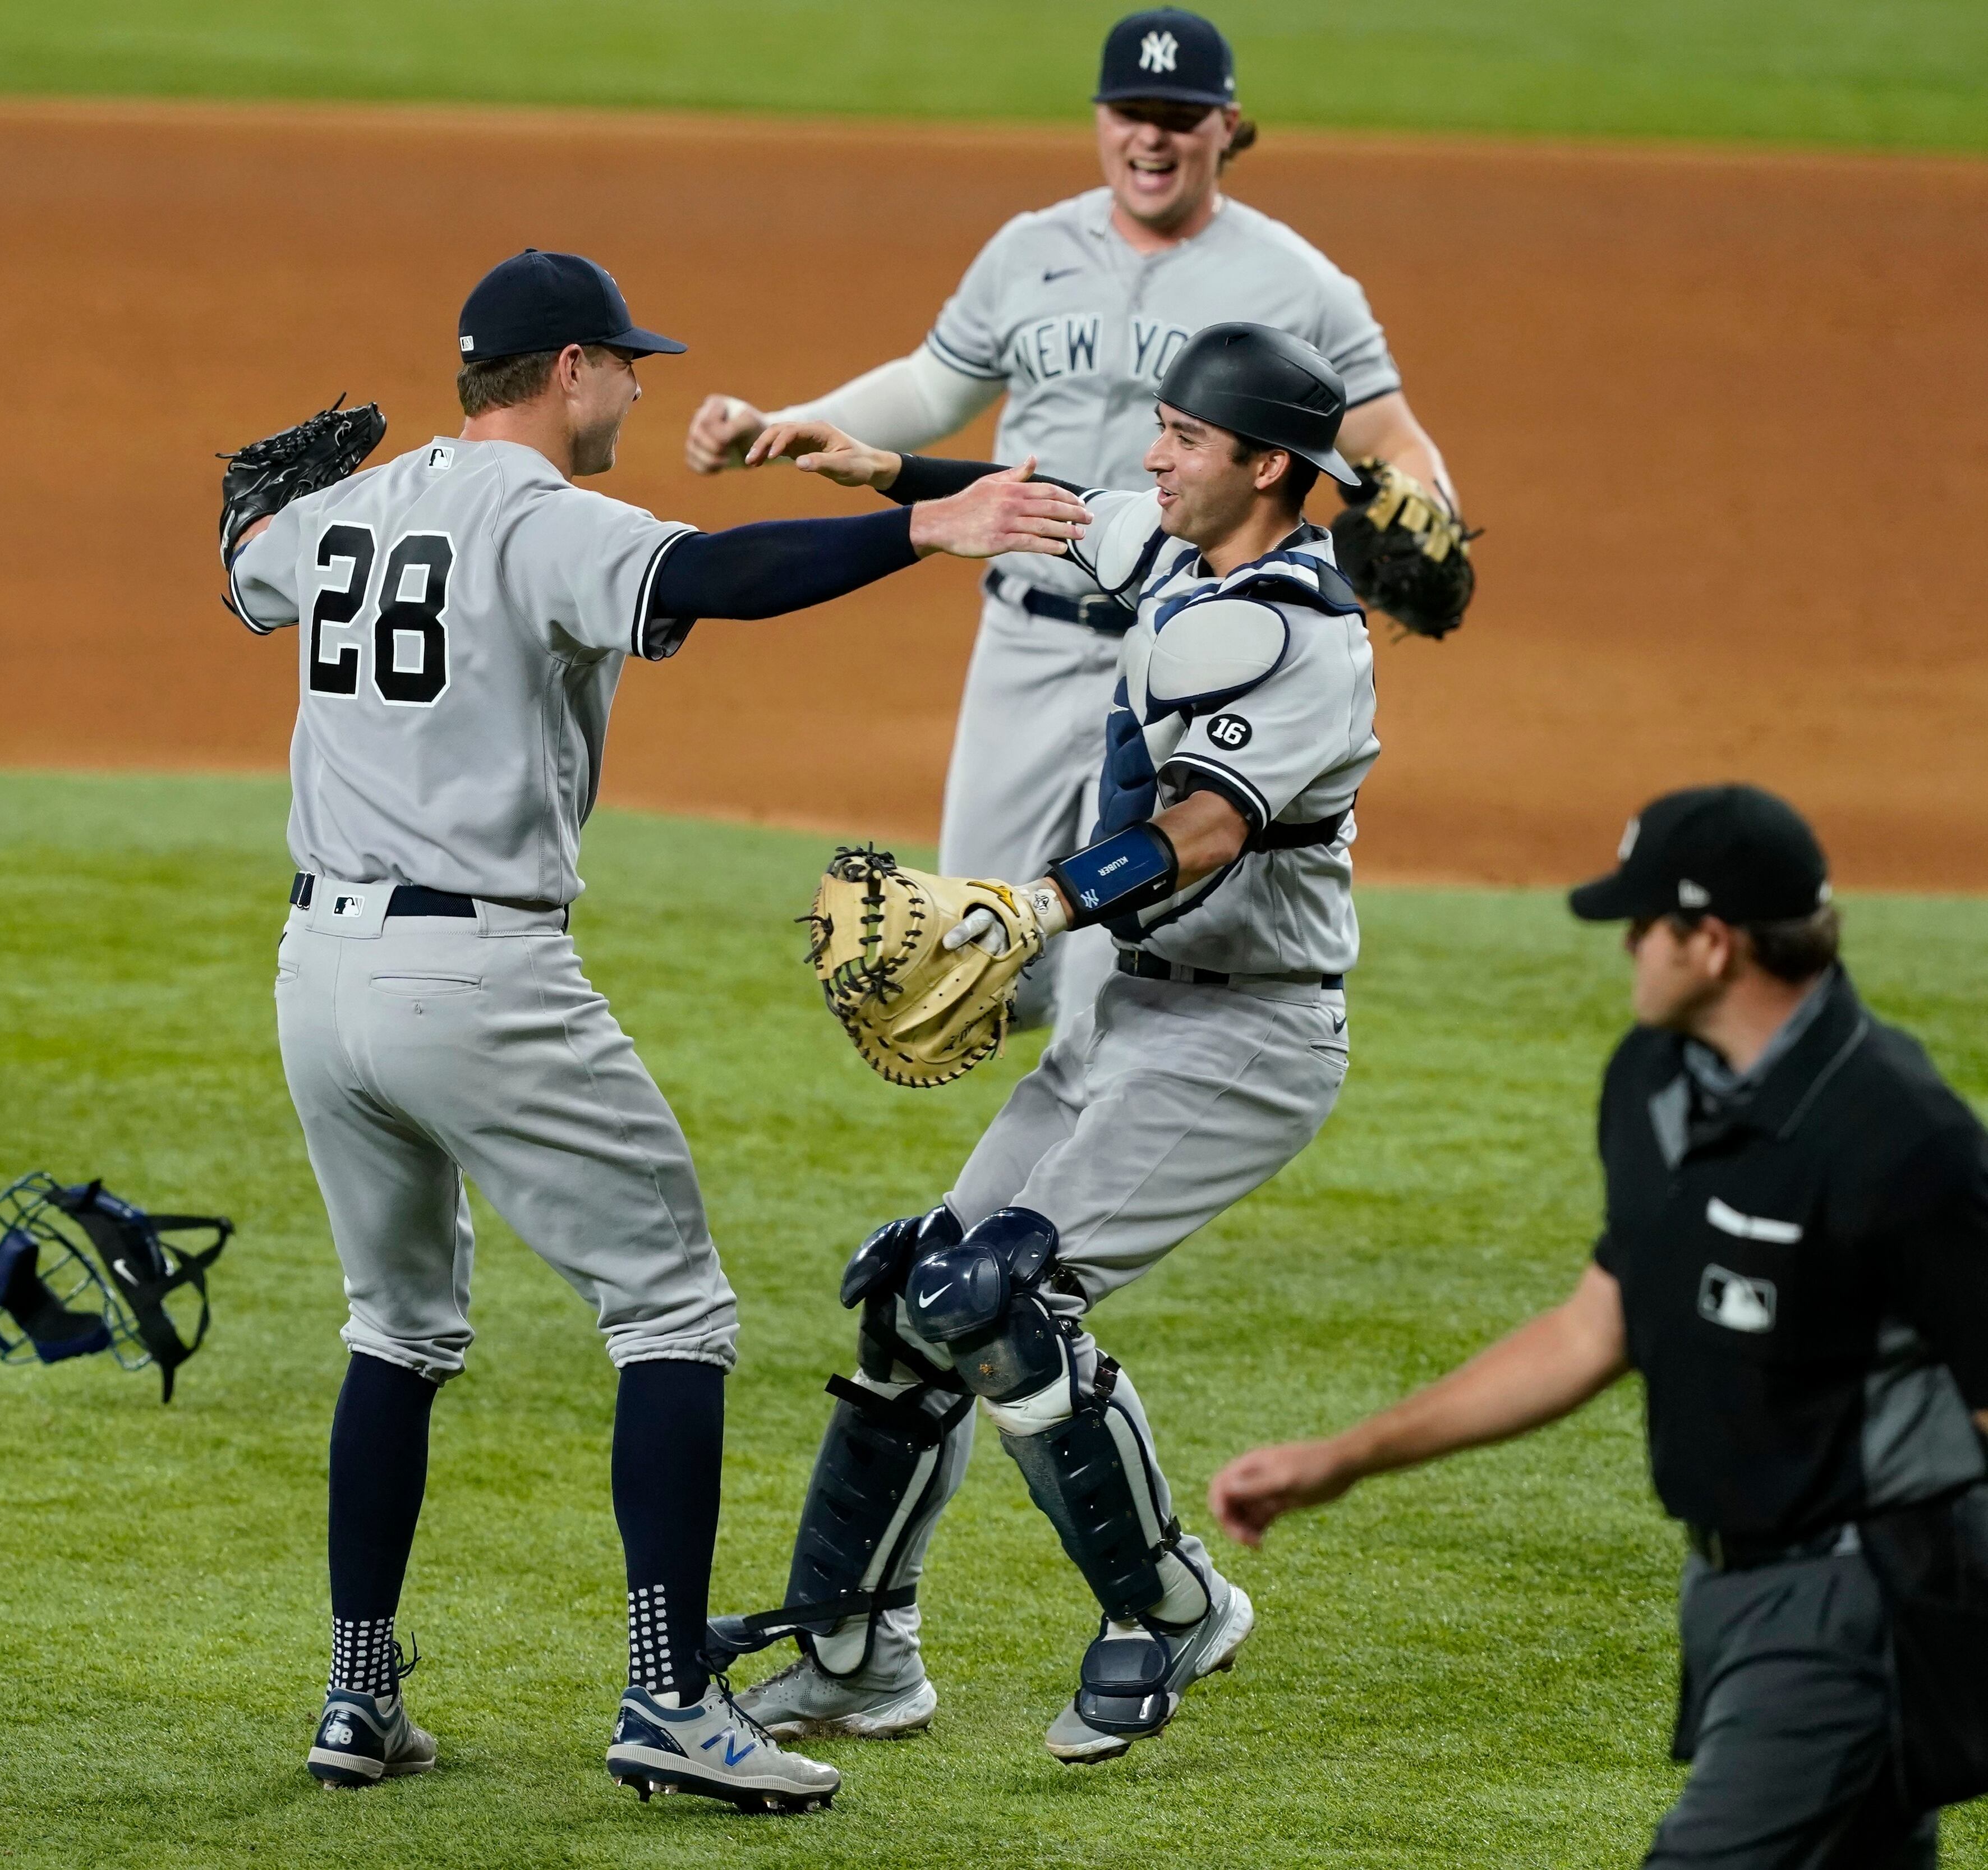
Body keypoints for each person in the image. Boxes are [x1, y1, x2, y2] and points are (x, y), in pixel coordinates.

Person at [222, 247, 1086, 1809]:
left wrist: (240, 524)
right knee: (674, 1307)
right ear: (562, 371)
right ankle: (673, 1696)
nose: (638, 384)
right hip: (474, 976)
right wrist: (928, 524)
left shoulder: (341, 512)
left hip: (315, 977)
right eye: (626, 363)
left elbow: (245, 565)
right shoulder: (543, 518)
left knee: (396, 1327)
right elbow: (712, 579)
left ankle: (358, 1693)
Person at [709, 322, 1375, 1762]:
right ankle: (852, 1652)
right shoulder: (1181, 552)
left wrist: (1036, 901)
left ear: (1265, 464)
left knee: (1002, 1296)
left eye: (1184, 438)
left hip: (1242, 1041)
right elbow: (1059, 506)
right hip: (1119, 1015)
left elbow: (1206, 826)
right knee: (911, 1296)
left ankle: (1173, 1606)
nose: (1153, 454)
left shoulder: (1298, 634)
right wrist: (880, 466)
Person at [1212, 784, 1988, 1866]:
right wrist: (1345, 1458)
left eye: (1643, 923)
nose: (1626, 945)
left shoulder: (1897, 1133)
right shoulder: (1656, 1083)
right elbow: (1597, 1324)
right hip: (1731, 1588)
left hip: (1860, 1600)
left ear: (1713, 943)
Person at [683, 5, 1455, 1040]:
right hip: (1028, 630)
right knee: (974, 955)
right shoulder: (1028, 249)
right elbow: (931, 386)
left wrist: (1431, 509)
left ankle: (1088, 1169)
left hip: (1188, 651)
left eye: (1180, 116)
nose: (1153, 136)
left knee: (1120, 962)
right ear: (1100, 119)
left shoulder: (1299, 284)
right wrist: (785, 426)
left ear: (1228, 125)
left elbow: (1394, 440)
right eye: (1132, 110)